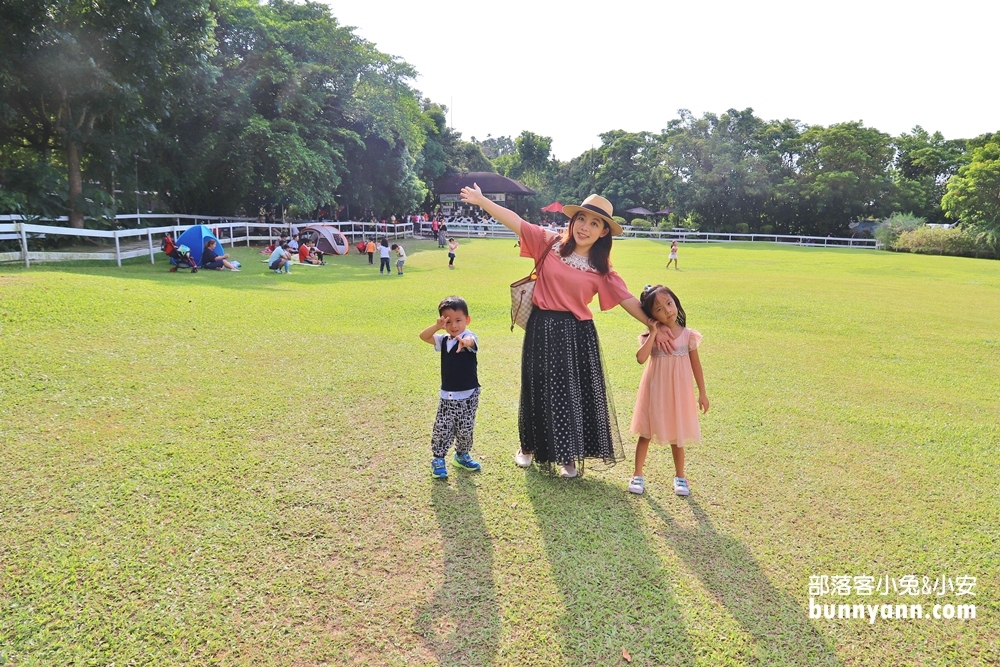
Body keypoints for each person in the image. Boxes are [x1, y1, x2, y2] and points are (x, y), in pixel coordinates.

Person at [459, 184, 673, 478]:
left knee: (571, 393)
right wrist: (483, 201)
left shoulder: (602, 271)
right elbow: (515, 221)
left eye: (594, 223)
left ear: (603, 232)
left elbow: (628, 301)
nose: (585, 227)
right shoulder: (549, 243)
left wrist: (655, 325)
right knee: (535, 387)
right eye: (581, 219)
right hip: (542, 326)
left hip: (577, 333)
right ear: (573, 221)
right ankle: (528, 448)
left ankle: (567, 456)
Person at [629, 285, 709, 496]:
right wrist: (654, 332)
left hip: (679, 392)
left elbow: (696, 366)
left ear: (676, 302)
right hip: (655, 390)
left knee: (678, 434)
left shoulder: (688, 335)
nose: (667, 311)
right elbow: (640, 358)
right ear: (651, 315)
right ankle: (637, 474)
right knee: (645, 432)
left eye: (669, 304)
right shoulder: (651, 335)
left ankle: (680, 476)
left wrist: (702, 392)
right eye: (659, 309)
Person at [419, 296, 482, 479]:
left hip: (469, 395)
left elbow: (471, 341)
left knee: (465, 428)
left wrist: (465, 342)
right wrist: (437, 326)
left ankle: (462, 455)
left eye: (458, 321)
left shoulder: (470, 337)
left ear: (467, 320)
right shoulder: (443, 340)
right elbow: (423, 336)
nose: (454, 326)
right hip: (448, 396)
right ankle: (438, 459)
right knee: (442, 427)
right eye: (448, 321)